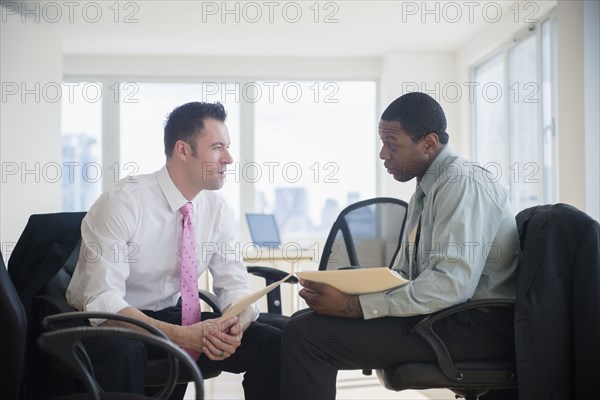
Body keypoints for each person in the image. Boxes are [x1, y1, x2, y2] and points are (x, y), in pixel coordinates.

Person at [281, 92, 520, 399]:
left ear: (429, 143)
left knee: (308, 335)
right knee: (302, 322)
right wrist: (349, 293)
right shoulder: (427, 189)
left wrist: (355, 307)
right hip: (450, 317)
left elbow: (450, 285)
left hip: (477, 326)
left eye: (392, 144)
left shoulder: (462, 183)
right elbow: (406, 275)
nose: (383, 154)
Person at [66, 101, 280, 399]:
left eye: (228, 147)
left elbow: (235, 287)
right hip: (112, 321)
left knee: (270, 340)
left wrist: (235, 324)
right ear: (183, 150)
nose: (229, 159)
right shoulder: (123, 202)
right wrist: (183, 335)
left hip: (173, 315)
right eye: (217, 147)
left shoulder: (216, 209)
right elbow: (103, 301)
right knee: (124, 351)